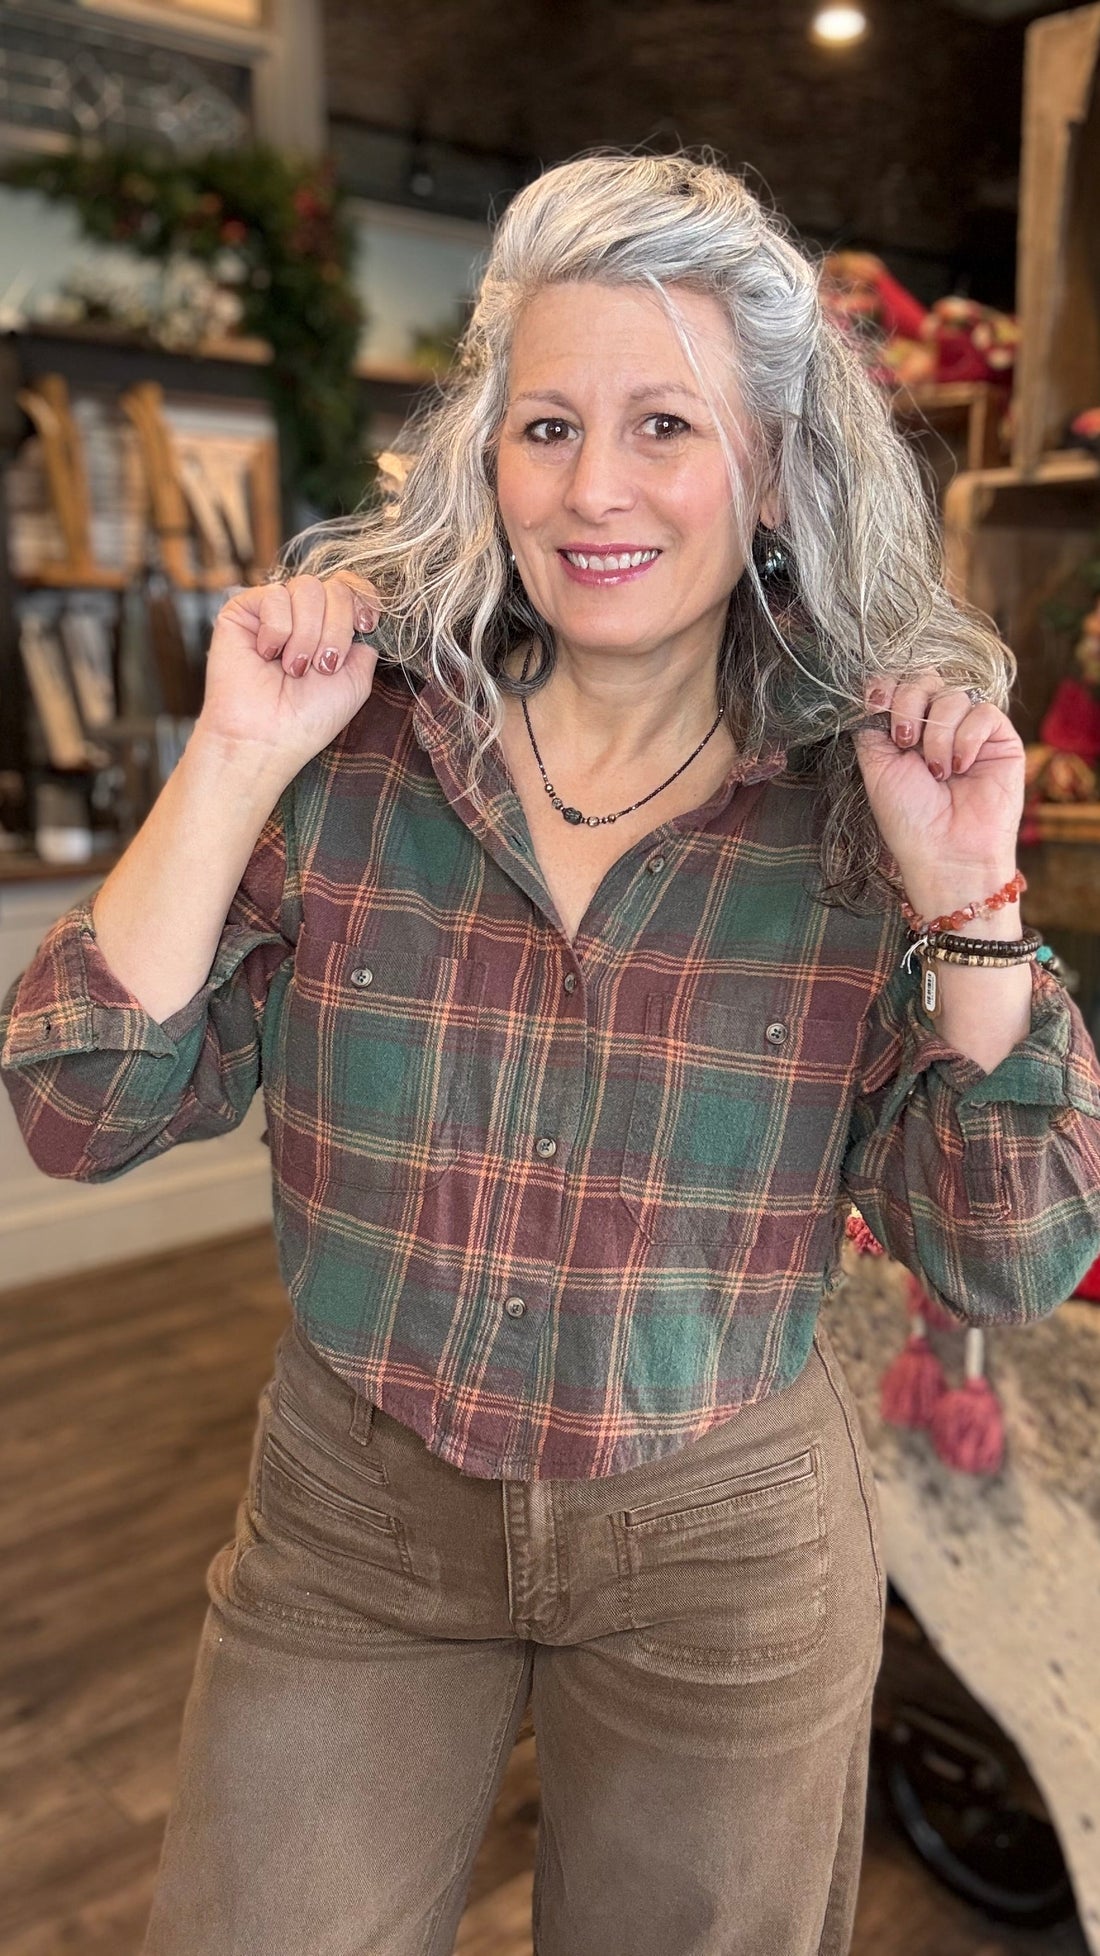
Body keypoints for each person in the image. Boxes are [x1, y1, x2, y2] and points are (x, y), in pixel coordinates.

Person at [3, 151, 1099, 1956]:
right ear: (481, 456)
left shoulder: (860, 807)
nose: (594, 490)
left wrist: (966, 892)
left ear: (768, 474)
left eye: (666, 424)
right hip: (358, 1517)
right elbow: (74, 1106)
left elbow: (1007, 1251)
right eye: (545, 427)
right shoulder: (358, 754)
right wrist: (231, 760)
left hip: (723, 1552)